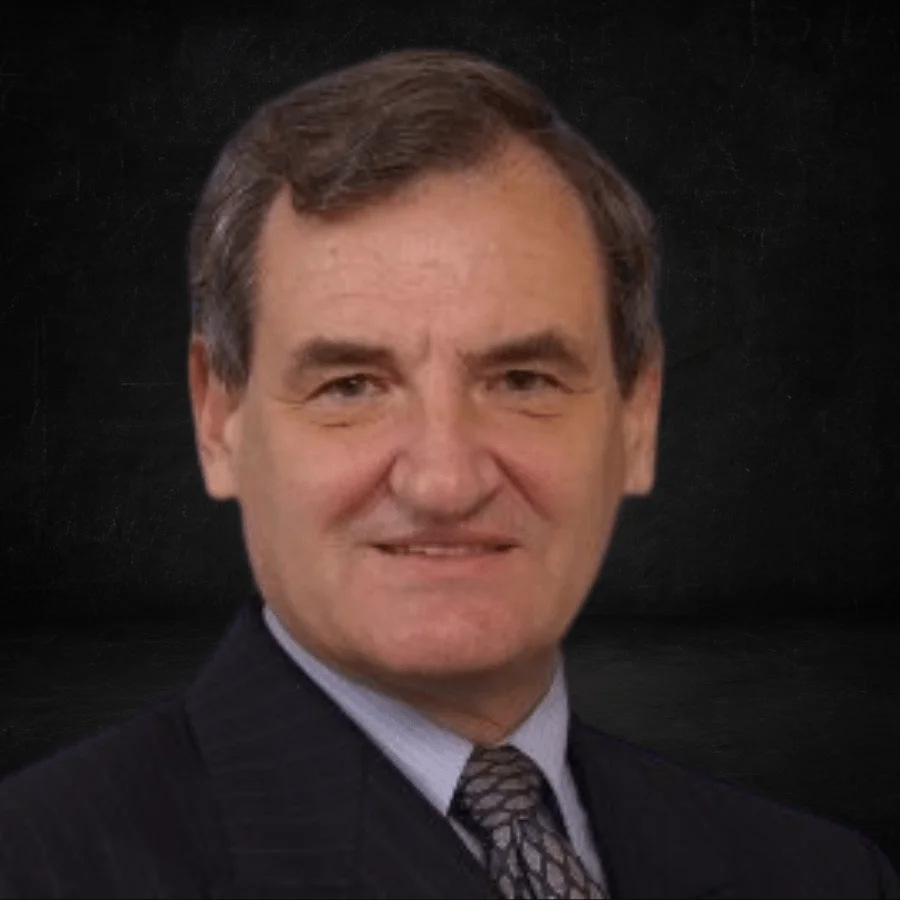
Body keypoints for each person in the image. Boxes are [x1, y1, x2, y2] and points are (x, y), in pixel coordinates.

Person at [0, 47, 896, 900]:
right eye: (351, 386)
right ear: (216, 419)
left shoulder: (824, 877)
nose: (443, 482)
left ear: (638, 416)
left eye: (523, 380)